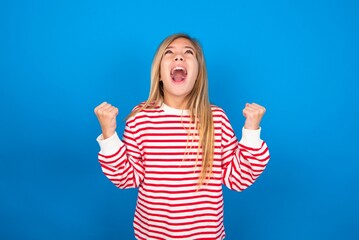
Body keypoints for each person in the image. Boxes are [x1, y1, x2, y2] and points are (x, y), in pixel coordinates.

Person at [94, 33, 270, 240]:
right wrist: (109, 135)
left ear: (198, 74)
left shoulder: (216, 119)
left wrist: (251, 131)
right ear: (159, 73)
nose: (179, 57)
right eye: (170, 53)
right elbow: (127, 177)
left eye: (188, 52)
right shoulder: (140, 117)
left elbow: (237, 178)